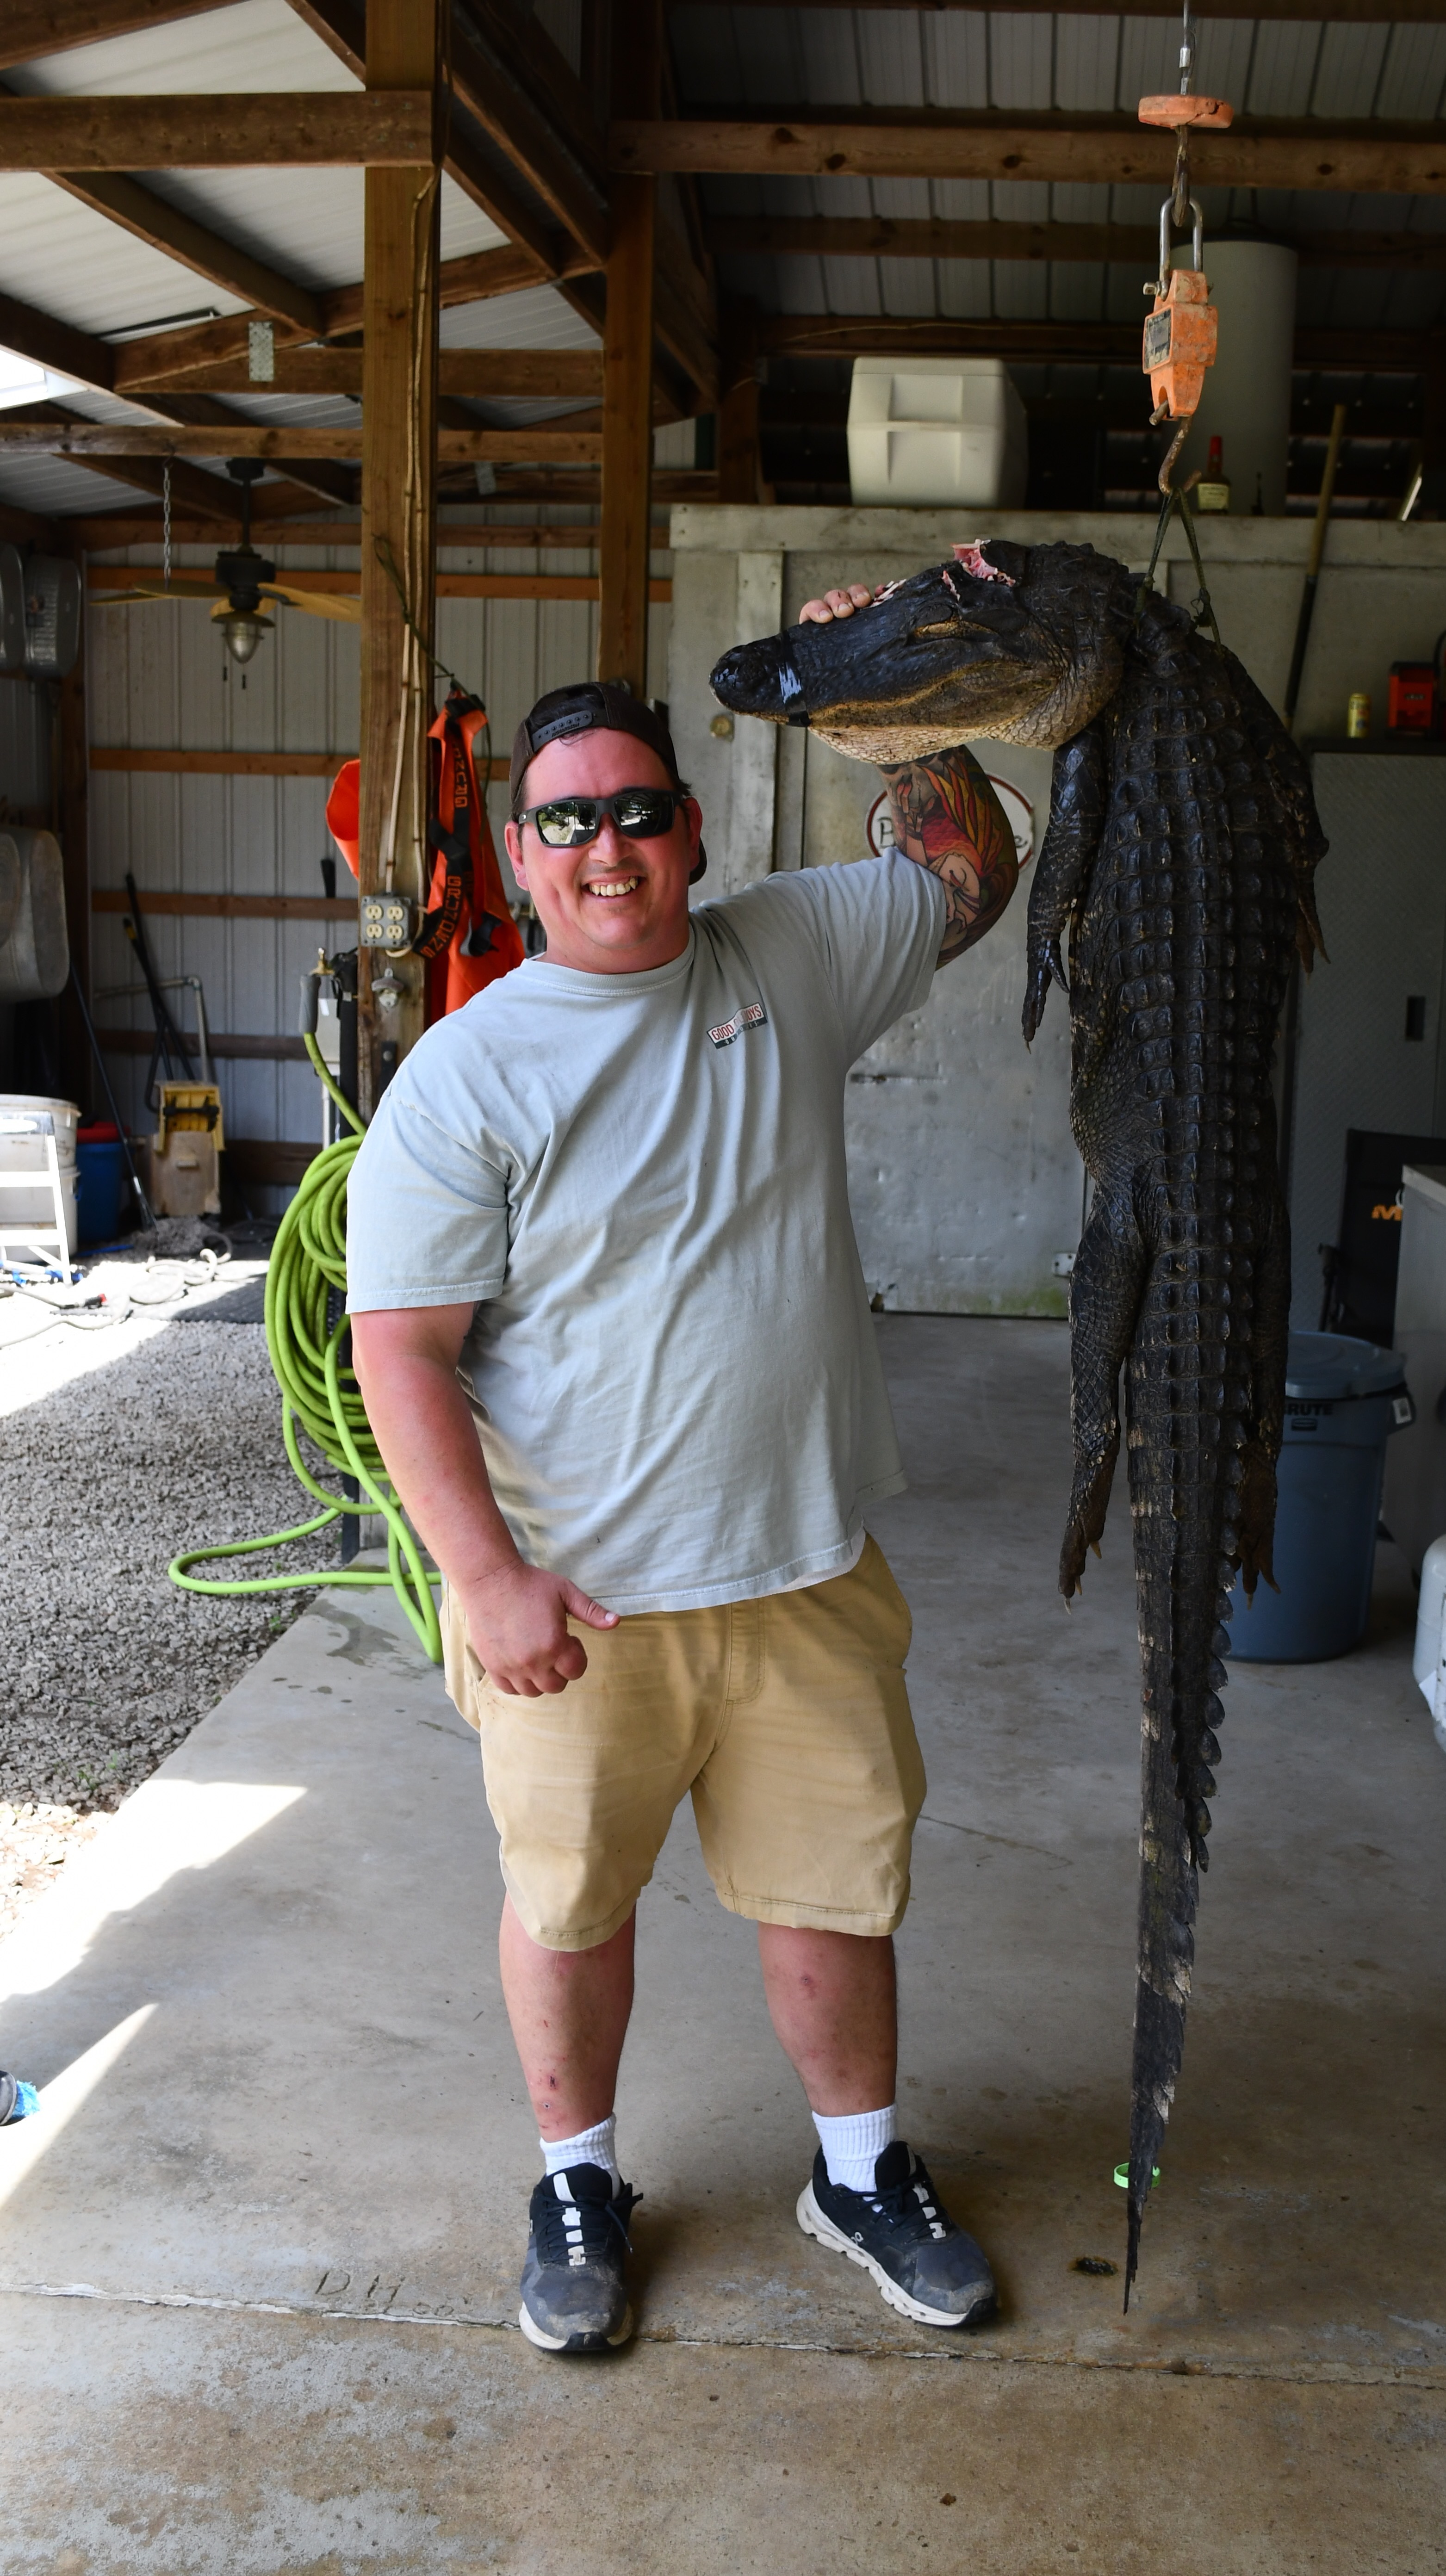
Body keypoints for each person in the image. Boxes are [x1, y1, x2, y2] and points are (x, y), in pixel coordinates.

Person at [347, 587, 1022, 2356]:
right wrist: (486, 1581)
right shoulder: (465, 1076)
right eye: (569, 821)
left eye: (640, 810)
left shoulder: (787, 952)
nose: (610, 846)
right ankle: (577, 2182)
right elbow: (400, 1351)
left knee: (835, 1892)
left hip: (801, 1565)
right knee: (570, 1905)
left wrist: (880, 683)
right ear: (520, 857)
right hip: (581, 1603)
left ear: (692, 829)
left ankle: (859, 2172)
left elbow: (970, 869)